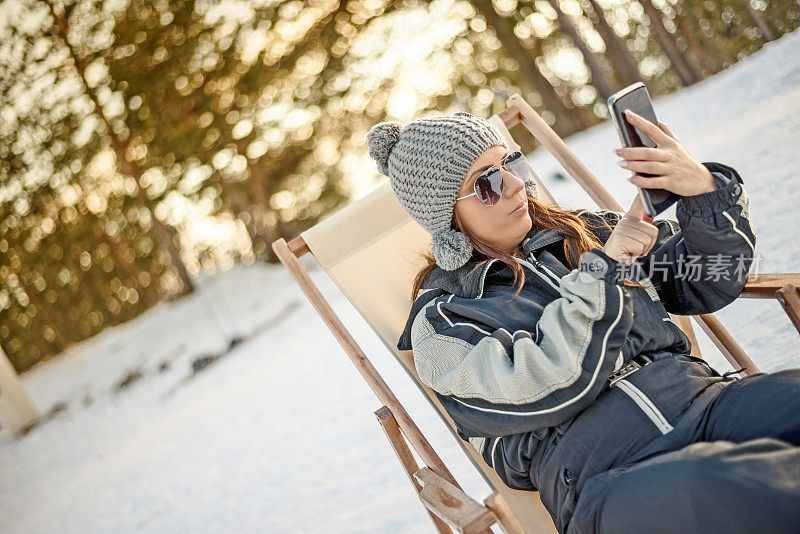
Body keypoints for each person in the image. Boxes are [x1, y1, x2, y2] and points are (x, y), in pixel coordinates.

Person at [365, 110, 800, 534]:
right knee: (733, 485)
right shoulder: (444, 321)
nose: (518, 184)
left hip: (707, 405)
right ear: (447, 216)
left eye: (510, 163)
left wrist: (704, 192)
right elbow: (552, 382)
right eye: (488, 183)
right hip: (610, 480)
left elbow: (709, 280)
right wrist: (602, 272)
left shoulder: (585, 234)